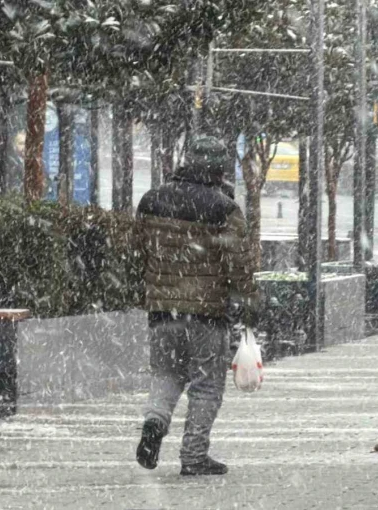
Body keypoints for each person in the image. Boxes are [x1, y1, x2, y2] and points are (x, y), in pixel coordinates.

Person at [134, 135, 257, 476]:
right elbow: (239, 263)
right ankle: (193, 456)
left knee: (166, 374)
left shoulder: (151, 200)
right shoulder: (224, 208)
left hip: (162, 311)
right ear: (220, 167)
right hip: (207, 312)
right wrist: (248, 301)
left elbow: (136, 252)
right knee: (206, 385)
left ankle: (154, 422)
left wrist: (150, 292)